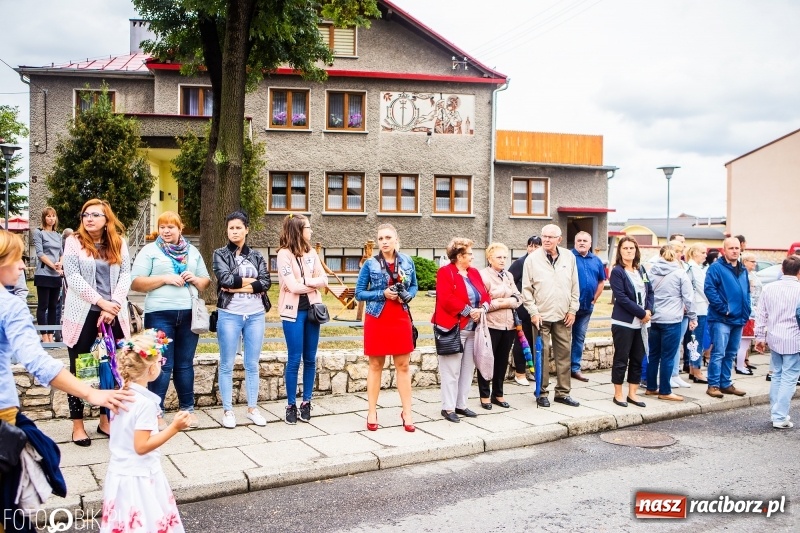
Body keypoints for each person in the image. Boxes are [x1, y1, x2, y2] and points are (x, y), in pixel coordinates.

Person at [0, 229, 133, 533]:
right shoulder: (10, 305)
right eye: (16, 259)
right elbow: (37, 362)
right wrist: (92, 393)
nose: (23, 266)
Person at [100, 329, 188, 533]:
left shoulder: (119, 395)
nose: (161, 365)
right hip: (140, 478)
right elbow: (141, 446)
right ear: (150, 370)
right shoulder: (145, 404)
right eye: (160, 362)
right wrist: (174, 427)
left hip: (119, 473)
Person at [131, 211, 211, 429]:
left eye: (171, 227)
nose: (166, 231)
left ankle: (187, 410)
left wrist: (195, 279)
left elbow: (205, 281)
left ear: (180, 228)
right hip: (159, 314)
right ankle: (156, 412)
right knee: (161, 365)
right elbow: (136, 283)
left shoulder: (192, 252)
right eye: (162, 227)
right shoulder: (150, 251)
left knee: (185, 365)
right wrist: (164, 278)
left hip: (189, 314)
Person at [62, 199, 132, 444]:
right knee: (81, 369)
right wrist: (101, 303)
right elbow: (73, 277)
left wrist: (112, 306)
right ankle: (78, 425)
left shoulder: (119, 243)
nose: (89, 218)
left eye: (95, 215)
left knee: (111, 369)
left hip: (113, 314)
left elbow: (126, 275)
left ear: (106, 219)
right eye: (85, 215)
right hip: (83, 314)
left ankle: (105, 420)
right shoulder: (74, 242)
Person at [355, 223, 419, 431]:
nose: (384, 242)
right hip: (377, 317)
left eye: (388, 238)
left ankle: (407, 412)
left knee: (403, 366)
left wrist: (409, 295)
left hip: (400, 317)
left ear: (396, 239)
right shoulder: (370, 264)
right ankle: (372, 411)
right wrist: (381, 293)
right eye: (381, 238)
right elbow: (359, 293)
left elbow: (414, 285)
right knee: (375, 366)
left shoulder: (407, 261)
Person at [212, 211, 271, 429]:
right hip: (229, 314)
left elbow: (266, 282)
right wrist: (251, 281)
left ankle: (252, 408)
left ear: (246, 229)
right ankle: (228, 410)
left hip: (256, 314)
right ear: (227, 231)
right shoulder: (219, 254)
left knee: (252, 364)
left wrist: (240, 284)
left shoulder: (256, 255)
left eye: (239, 227)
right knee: (227, 363)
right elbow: (225, 280)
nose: (235, 231)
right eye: (231, 228)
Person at [521, 224, 580, 408]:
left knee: (564, 355)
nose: (546, 240)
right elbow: (526, 290)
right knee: (542, 355)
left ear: (559, 239)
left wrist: (573, 310)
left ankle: (563, 392)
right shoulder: (532, 260)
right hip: (541, 316)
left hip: (564, 315)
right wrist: (533, 312)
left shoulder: (569, 257)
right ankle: (542, 392)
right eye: (544, 236)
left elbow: (575, 286)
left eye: (551, 237)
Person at [276, 214, 327, 425]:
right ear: (298, 229)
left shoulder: (312, 252)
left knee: (310, 358)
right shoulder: (283, 255)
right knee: (294, 358)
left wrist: (304, 281)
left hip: (313, 311)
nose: (311, 231)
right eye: (308, 227)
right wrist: (309, 283)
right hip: (292, 312)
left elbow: (323, 280)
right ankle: (290, 405)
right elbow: (292, 287)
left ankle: (307, 402)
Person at [433, 237, 490, 422]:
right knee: (451, 370)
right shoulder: (445, 272)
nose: (472, 257)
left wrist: (482, 309)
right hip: (452, 329)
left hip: (473, 329)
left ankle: (461, 405)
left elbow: (485, 295)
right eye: (469, 254)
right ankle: (448, 408)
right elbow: (446, 298)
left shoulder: (474, 272)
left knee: (467, 369)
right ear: (459, 256)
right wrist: (469, 311)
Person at [646, 245, 696, 402]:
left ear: (660, 255)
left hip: (654, 319)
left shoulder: (651, 272)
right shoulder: (680, 273)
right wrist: (693, 317)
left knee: (654, 355)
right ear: (676, 256)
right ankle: (665, 390)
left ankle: (651, 387)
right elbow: (689, 297)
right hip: (672, 319)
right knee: (668, 356)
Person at [754, 255, 800, 429]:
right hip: (794, 338)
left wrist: (759, 336)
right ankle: (779, 416)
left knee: (777, 375)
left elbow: (761, 314)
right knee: (789, 378)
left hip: (774, 337)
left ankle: (776, 412)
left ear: (782, 269)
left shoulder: (769, 288)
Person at [609, 237, 653, 407]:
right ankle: (618, 394)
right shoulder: (618, 272)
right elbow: (621, 298)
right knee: (621, 358)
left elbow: (650, 292)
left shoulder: (641, 269)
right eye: (625, 248)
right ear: (620, 251)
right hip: (624, 323)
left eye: (632, 248)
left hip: (642, 323)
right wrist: (641, 313)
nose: (629, 251)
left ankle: (633, 394)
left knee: (637, 358)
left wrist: (649, 310)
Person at [704, 237, 750, 399]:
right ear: (724, 250)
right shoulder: (716, 268)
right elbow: (709, 290)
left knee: (731, 353)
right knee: (718, 353)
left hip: (739, 318)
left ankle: (726, 383)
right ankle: (714, 385)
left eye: (737, 248)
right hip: (721, 318)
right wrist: (725, 309)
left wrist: (747, 311)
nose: (735, 251)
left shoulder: (742, 268)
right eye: (731, 248)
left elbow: (746, 292)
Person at [478, 242, 522, 409]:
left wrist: (506, 301)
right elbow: (484, 302)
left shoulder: (509, 276)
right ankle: (484, 395)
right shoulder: (483, 275)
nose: (503, 260)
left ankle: (498, 394)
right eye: (499, 257)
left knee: (502, 361)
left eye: (505, 257)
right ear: (490, 258)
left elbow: (518, 298)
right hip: (491, 324)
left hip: (508, 325)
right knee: (487, 360)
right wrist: (503, 303)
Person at [571, 231, 606, 382]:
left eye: (585, 240)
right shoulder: (568, 258)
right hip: (569, 308)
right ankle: (563, 369)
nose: (582, 242)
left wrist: (594, 299)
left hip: (586, 308)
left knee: (579, 338)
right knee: (564, 339)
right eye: (579, 240)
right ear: (574, 243)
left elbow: (601, 282)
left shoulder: (596, 260)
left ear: (590, 244)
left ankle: (575, 368)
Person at [508, 235, 541, 385]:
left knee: (535, 342)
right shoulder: (520, 263)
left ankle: (533, 371)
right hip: (522, 310)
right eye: (530, 246)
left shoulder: (541, 263)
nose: (533, 249)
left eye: (536, 246)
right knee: (522, 341)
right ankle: (519, 373)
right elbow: (509, 283)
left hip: (537, 309)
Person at [33, 207, 63, 343]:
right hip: (44, 273)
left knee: (54, 306)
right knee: (43, 305)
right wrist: (53, 266)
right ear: (44, 218)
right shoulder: (39, 233)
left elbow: (62, 253)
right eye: (48, 216)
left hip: (56, 275)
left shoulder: (58, 235)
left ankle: (51, 334)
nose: (51, 218)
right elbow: (40, 254)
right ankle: (44, 335)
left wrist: (60, 264)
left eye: (53, 216)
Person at [683, 243, 709, 383]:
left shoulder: (692, 267)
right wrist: (713, 301)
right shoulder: (694, 268)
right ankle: (697, 371)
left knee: (693, 340)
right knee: (696, 341)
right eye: (703, 252)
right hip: (699, 308)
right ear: (694, 253)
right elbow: (703, 289)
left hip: (696, 308)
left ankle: (694, 370)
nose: (705, 255)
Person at [735, 252, 762, 375]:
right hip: (748, 312)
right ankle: (740, 366)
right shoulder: (744, 275)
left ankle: (742, 364)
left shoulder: (750, 275)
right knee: (744, 342)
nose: (754, 264)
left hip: (753, 310)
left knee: (745, 342)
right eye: (752, 261)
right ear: (745, 262)